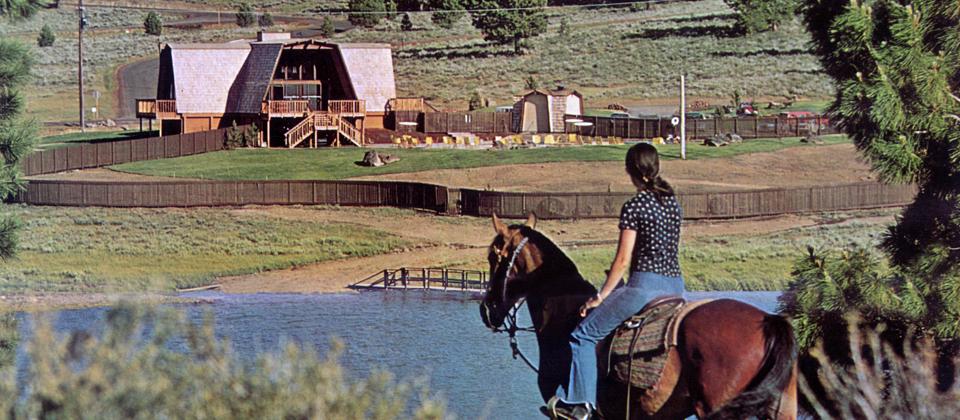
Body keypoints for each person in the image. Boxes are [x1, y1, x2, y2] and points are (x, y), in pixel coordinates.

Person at [546, 142, 685, 420]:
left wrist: (600, 296)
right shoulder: (673, 203)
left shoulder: (634, 206)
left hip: (644, 287)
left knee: (582, 336)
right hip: (676, 288)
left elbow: (622, 261)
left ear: (629, 170)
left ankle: (581, 405)